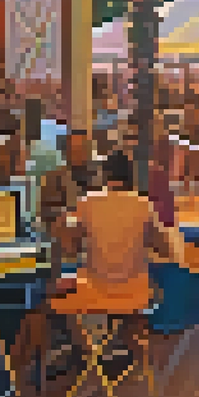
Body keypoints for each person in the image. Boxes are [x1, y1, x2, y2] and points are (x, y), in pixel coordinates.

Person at [51, 151, 180, 375]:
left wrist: (63, 225)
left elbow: (70, 248)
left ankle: (89, 353)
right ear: (130, 177)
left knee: (53, 296)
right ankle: (128, 356)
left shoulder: (87, 203)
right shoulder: (143, 205)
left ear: (104, 176)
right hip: (135, 293)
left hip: (94, 292)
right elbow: (165, 249)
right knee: (140, 300)